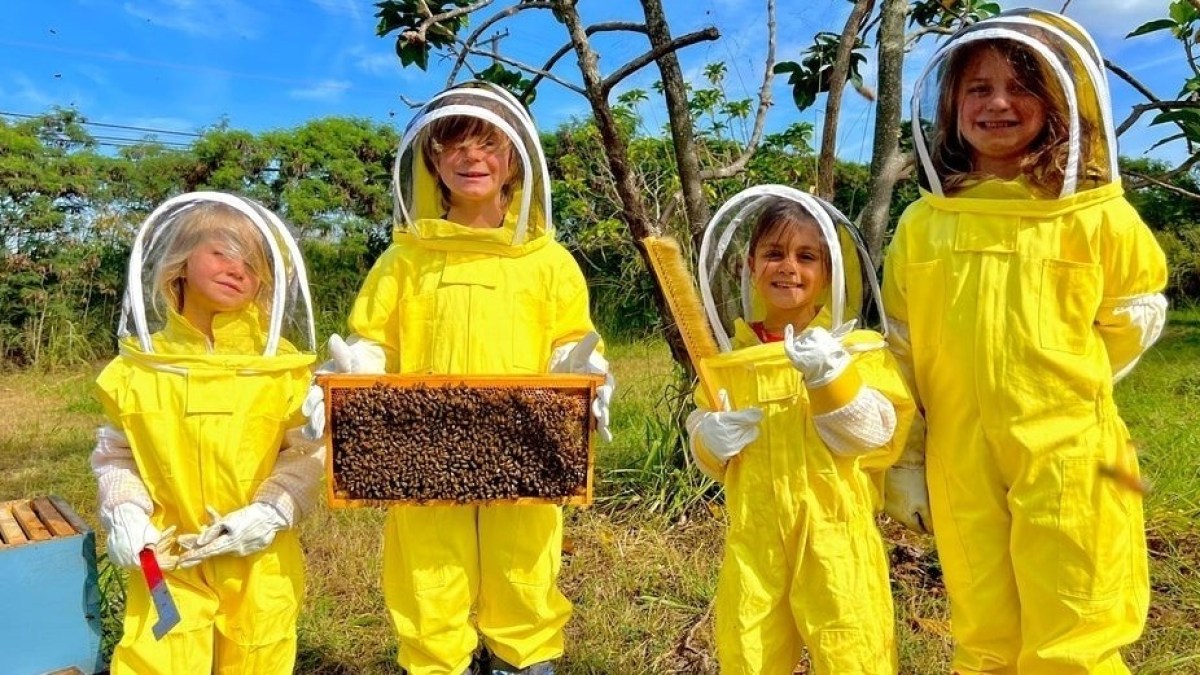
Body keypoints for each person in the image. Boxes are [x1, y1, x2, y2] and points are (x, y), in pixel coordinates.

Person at [882, 9, 1169, 674]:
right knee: (984, 631)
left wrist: (1063, 387)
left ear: (1059, 99)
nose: (998, 103)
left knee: (1075, 628)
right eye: (978, 88)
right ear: (952, 104)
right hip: (959, 458)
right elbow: (900, 345)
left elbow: (1134, 314)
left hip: (1069, 457)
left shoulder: (1097, 215)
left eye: (1021, 86)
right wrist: (906, 456)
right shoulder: (924, 224)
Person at [323, 82, 613, 675]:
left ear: (514, 162)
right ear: (432, 161)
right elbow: (375, 338)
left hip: (527, 446)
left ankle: (523, 662)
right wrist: (359, 366)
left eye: (489, 144)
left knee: (524, 572)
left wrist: (580, 373)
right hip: (421, 450)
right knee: (429, 579)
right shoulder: (404, 260)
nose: (472, 157)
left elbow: (570, 341)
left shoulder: (549, 262)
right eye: (454, 145)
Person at [686, 185, 917, 674]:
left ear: (828, 272)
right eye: (773, 253)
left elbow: (878, 436)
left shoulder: (858, 351)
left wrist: (831, 378)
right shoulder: (732, 363)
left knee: (853, 651)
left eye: (805, 255)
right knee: (749, 650)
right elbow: (709, 448)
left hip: (837, 534)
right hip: (754, 537)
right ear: (750, 266)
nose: (788, 266)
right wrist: (708, 436)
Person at [91, 192, 323, 674]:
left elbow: (304, 455)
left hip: (257, 561)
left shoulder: (280, 370)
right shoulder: (140, 369)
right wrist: (125, 511)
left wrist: (270, 511)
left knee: (258, 658)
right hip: (163, 557)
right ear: (179, 263)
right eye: (222, 253)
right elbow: (118, 456)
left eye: (254, 265)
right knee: (155, 660)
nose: (239, 270)